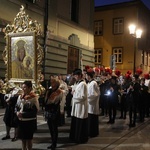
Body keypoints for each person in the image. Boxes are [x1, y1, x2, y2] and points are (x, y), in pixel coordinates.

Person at [15, 81, 39, 150]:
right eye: (22, 87)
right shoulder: (21, 96)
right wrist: (17, 112)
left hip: (29, 121)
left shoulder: (33, 98)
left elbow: (35, 111)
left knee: (29, 139)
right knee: (23, 139)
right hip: (21, 121)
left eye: (25, 87)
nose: (23, 89)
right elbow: (16, 106)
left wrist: (23, 115)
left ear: (29, 88)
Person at [69, 68, 88, 143]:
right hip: (76, 106)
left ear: (80, 75)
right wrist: (72, 89)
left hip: (80, 106)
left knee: (79, 122)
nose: (75, 77)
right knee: (76, 122)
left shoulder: (83, 84)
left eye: (76, 76)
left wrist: (74, 94)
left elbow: (83, 96)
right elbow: (75, 89)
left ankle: (80, 138)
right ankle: (75, 137)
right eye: (74, 76)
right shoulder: (78, 83)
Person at [44, 77, 63, 150]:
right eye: (51, 82)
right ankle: (52, 142)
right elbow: (46, 100)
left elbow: (56, 101)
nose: (51, 83)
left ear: (56, 83)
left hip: (54, 111)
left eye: (53, 82)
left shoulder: (59, 92)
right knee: (50, 128)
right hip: (49, 111)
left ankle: (54, 143)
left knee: (54, 128)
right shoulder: (49, 90)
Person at [86, 68, 100, 137]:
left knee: (92, 119)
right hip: (90, 104)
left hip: (92, 104)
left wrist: (86, 98)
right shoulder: (90, 83)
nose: (86, 76)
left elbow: (93, 95)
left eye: (86, 75)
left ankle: (92, 133)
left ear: (89, 76)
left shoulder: (93, 83)